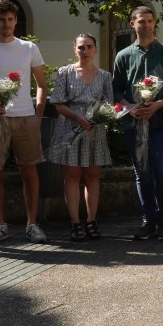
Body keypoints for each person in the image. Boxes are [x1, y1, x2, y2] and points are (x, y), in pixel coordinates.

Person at [0, 0, 49, 244]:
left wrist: (37, 116)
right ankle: (0, 226)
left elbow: (42, 86)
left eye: (11, 19)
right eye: (1, 19)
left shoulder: (28, 48)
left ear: (16, 20)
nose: (6, 24)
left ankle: (32, 225)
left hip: (25, 118)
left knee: (30, 172)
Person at [112, 6, 163, 241]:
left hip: (159, 124)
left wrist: (158, 105)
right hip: (133, 124)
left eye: (150, 21)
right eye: (141, 21)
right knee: (142, 174)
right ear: (132, 25)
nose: (147, 25)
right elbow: (116, 90)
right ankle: (147, 221)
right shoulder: (123, 56)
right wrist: (131, 108)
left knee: (162, 173)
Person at [49, 34, 113, 241]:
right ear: (74, 49)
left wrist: (97, 118)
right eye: (81, 47)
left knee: (93, 176)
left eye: (89, 47)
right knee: (72, 176)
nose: (85, 50)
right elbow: (58, 103)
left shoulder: (105, 76)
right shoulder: (64, 73)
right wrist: (77, 117)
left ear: (95, 49)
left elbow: (109, 105)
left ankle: (92, 221)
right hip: (70, 127)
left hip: (94, 130)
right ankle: (75, 223)